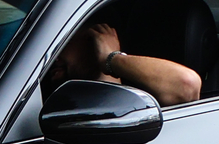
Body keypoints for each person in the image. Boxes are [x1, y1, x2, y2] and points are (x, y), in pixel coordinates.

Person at [42, 17, 200, 107]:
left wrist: (111, 58)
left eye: (63, 43)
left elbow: (186, 85)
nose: (50, 55)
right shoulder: (36, 85)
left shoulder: (130, 103)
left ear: (94, 40)